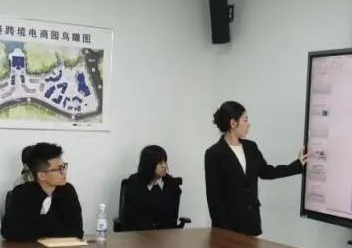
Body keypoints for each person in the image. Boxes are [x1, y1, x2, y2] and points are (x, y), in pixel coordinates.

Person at [204, 101, 309, 236]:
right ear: (233, 123)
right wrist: (225, 233)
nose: (249, 124)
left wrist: (297, 166)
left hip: (251, 223)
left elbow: (267, 172)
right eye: (245, 120)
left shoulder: (251, 147)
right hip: (228, 228)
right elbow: (214, 199)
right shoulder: (214, 154)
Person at [2, 143, 83, 241]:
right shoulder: (22, 193)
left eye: (64, 167)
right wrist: (55, 226)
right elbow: (9, 232)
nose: (64, 172)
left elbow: (77, 232)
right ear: (42, 175)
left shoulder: (68, 191)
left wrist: (37, 225)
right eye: (59, 169)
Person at [122, 145, 181, 231]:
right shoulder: (134, 182)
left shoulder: (172, 184)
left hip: (165, 234)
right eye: (160, 163)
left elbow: (172, 217)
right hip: (139, 234)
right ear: (148, 164)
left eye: (165, 161)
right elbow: (130, 218)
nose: (164, 166)